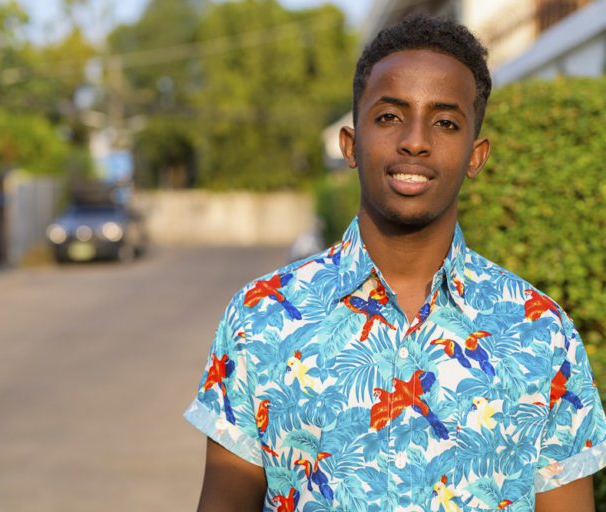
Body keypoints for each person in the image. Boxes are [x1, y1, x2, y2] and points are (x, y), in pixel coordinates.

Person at [184, 14, 606, 512]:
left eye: (446, 122)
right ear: (350, 144)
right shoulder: (261, 317)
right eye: (389, 116)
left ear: (476, 156)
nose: (415, 141)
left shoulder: (541, 332)